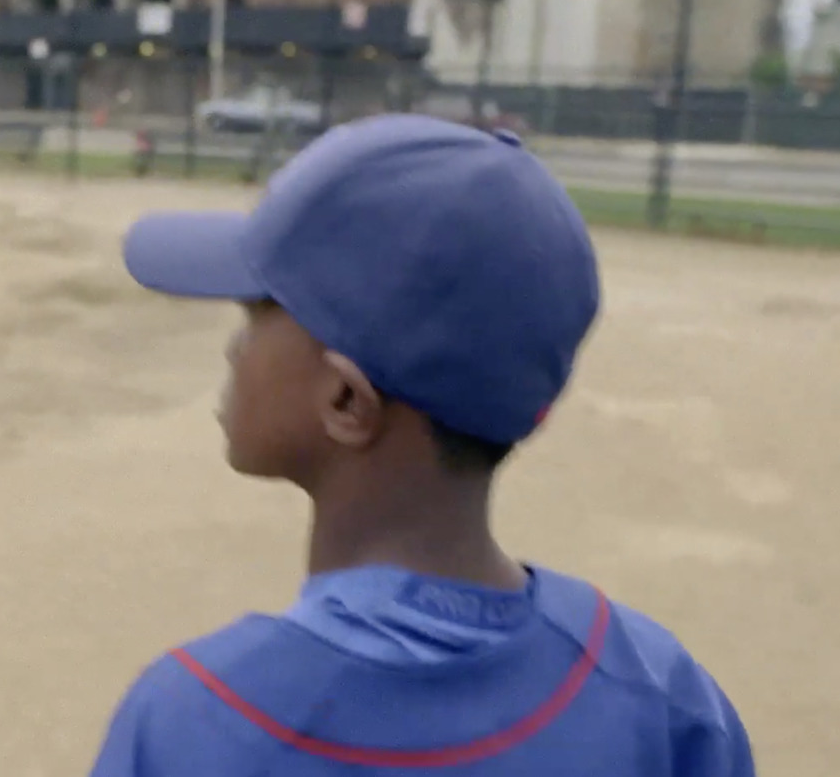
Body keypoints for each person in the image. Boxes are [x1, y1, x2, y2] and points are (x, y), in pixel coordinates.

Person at [92, 114, 754, 777]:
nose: (236, 347)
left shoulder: (193, 726)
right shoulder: (663, 703)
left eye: (258, 310)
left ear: (347, 401)